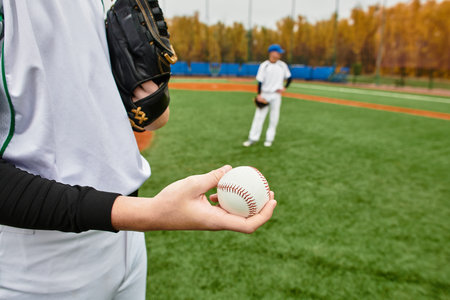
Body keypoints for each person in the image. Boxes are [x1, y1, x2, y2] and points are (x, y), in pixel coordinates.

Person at [0, 2, 276, 300]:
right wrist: (148, 214)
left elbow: (133, 112)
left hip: (129, 238)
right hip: (40, 257)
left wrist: (146, 99)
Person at [243, 44, 292, 147]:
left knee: (274, 117)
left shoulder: (282, 65)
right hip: (265, 94)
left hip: (276, 95)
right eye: (278, 52)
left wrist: (285, 87)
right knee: (259, 117)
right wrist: (259, 95)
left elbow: (289, 77)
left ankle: (269, 139)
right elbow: (260, 81)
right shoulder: (264, 65)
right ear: (272, 53)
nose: (280, 54)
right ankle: (253, 138)